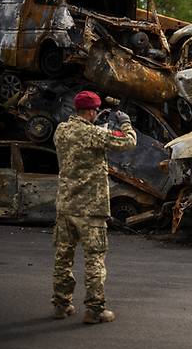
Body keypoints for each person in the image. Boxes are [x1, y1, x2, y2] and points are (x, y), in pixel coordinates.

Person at [52, 91, 137, 324]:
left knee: (63, 257)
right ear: (91, 111)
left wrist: (99, 126)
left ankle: (61, 304)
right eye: (96, 110)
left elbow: (82, 141)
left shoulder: (61, 131)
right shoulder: (93, 133)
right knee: (94, 260)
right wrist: (124, 121)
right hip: (90, 209)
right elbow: (128, 141)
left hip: (66, 205)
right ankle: (95, 309)